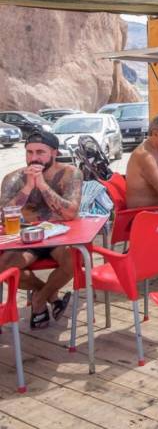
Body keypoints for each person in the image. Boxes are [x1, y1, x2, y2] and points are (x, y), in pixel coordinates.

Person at [0, 131, 81, 328]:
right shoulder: (13, 178)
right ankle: (50, 296)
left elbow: (70, 213)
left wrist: (43, 186)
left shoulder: (70, 173)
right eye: (29, 152)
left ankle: (38, 300)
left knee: (73, 260)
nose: (33, 158)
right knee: (5, 268)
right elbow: (3, 216)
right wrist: (27, 188)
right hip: (26, 237)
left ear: (54, 152)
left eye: (40, 152)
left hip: (58, 235)